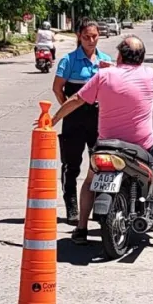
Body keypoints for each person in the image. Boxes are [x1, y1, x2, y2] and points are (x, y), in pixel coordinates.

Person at [50, 35, 153, 249]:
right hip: (144, 143)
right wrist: (113, 67)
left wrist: (53, 120)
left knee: (90, 181)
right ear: (142, 58)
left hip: (106, 144)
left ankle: (81, 228)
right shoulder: (149, 75)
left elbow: (75, 100)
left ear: (119, 55)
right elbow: (128, 75)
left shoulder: (103, 76)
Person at [53, 20, 113, 224]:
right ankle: (72, 206)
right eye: (87, 36)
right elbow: (57, 88)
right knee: (72, 165)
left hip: (99, 120)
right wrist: (67, 108)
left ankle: (99, 206)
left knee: (101, 163)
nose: (91, 40)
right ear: (79, 36)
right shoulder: (69, 61)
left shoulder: (105, 60)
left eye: (94, 36)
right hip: (74, 120)